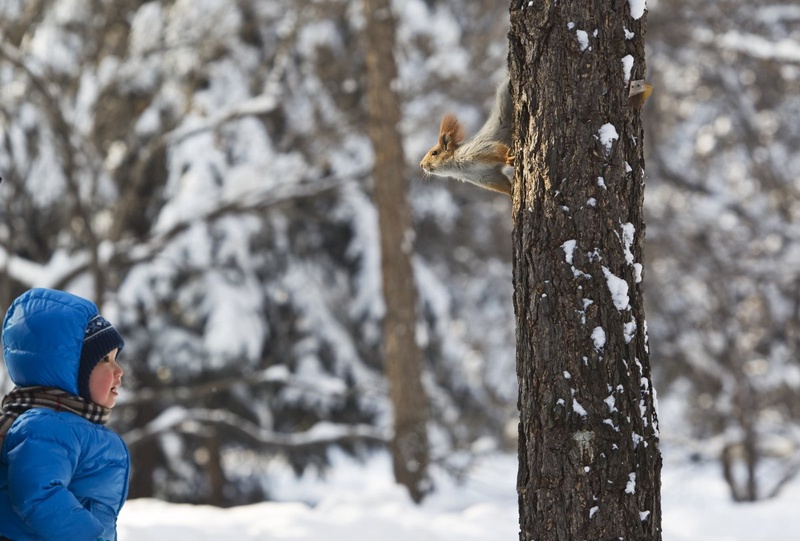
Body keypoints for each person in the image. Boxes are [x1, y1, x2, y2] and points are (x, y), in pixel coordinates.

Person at [0, 288, 130, 541]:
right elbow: (37, 493)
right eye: (105, 359)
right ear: (70, 372)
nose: (118, 370)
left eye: (116, 358)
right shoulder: (46, 425)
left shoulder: (62, 423)